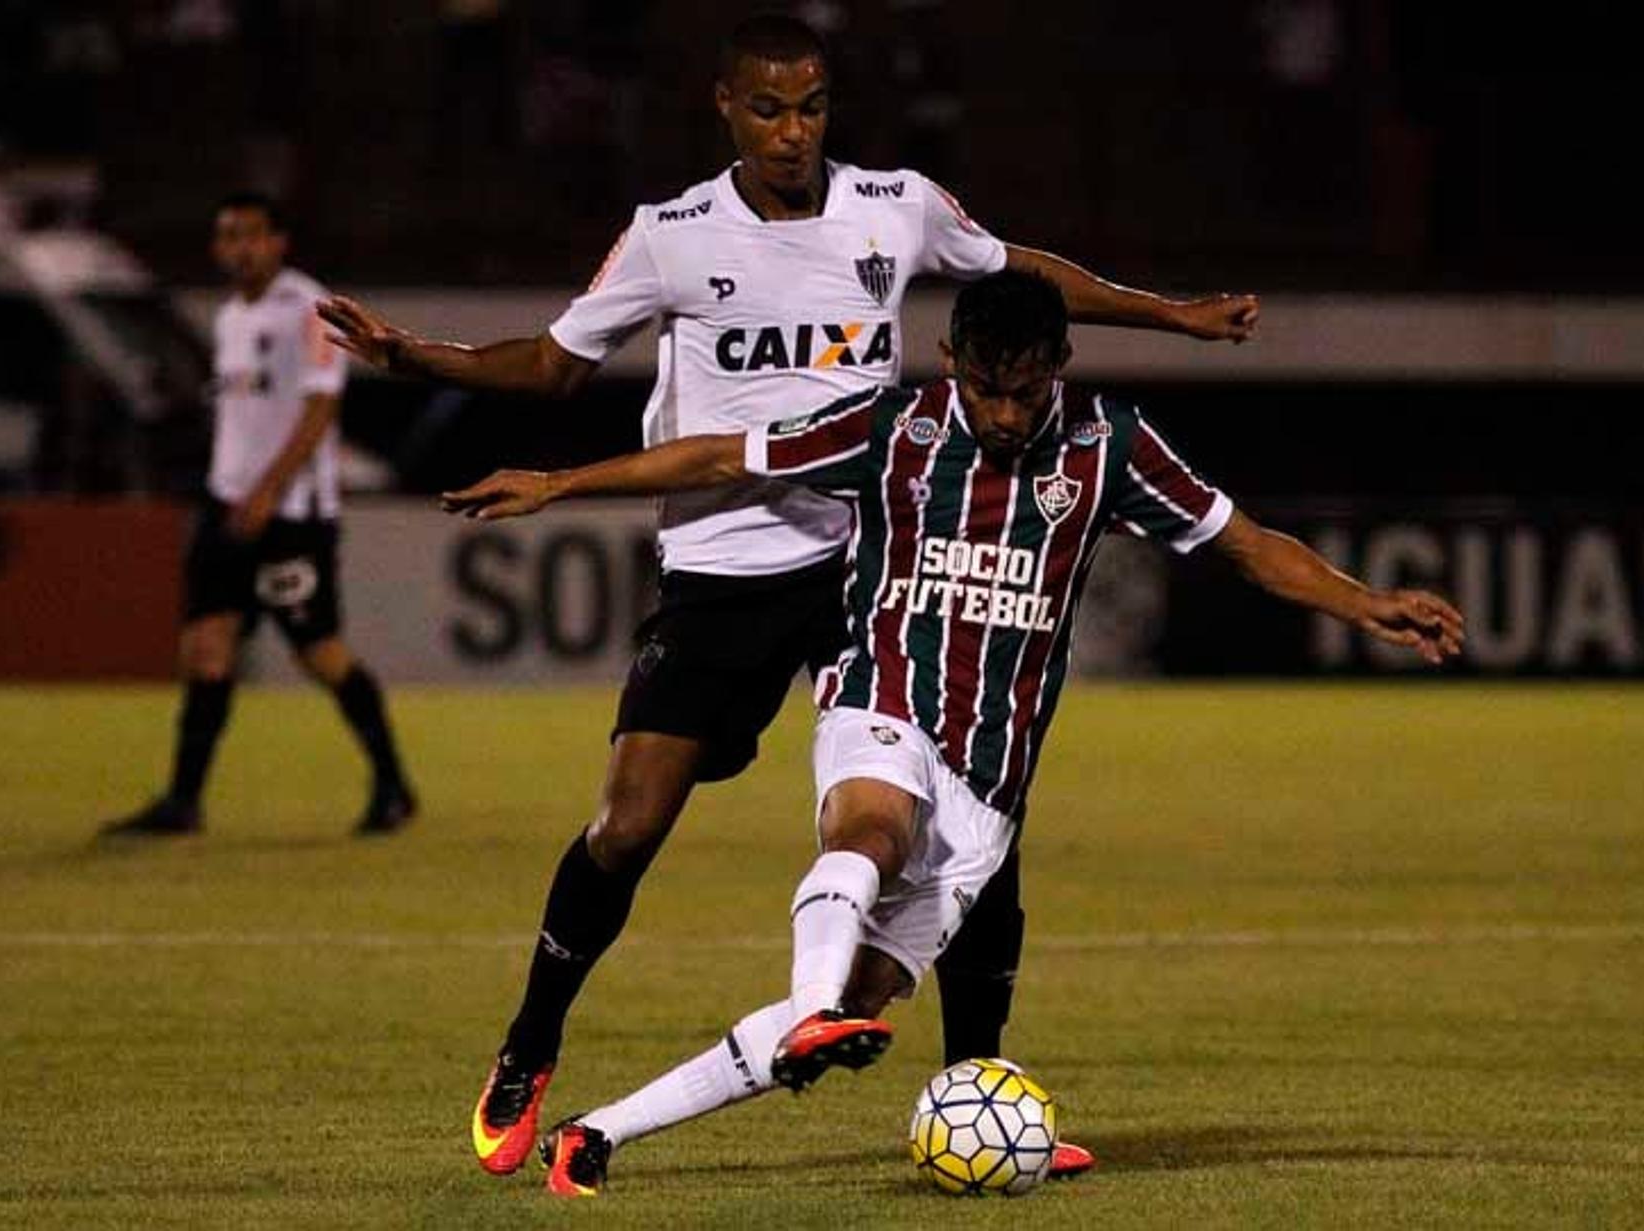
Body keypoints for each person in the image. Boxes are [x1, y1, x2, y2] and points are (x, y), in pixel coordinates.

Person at [317, 14, 1258, 1180]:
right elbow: (556, 365)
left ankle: (977, 1089)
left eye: (811, 107)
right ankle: (530, 1040)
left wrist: (1170, 313)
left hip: (875, 563)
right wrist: (418, 358)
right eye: (768, 109)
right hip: (722, 568)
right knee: (628, 824)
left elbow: (1019, 274)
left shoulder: (895, 204)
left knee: (976, 830)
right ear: (725, 108)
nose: (792, 131)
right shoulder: (669, 235)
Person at [440, 267, 1463, 1197]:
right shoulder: (893, 430)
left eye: (1024, 390)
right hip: (879, 697)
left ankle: (598, 1133)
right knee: (869, 833)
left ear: (1061, 365)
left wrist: (1364, 601)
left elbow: (1244, 544)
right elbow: (722, 452)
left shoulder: (1113, 446)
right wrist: (558, 482)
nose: (1006, 412)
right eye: (986, 388)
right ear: (951, 363)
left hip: (990, 782)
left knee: (866, 1003)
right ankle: (810, 1000)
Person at [102, 193, 416, 839]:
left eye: (251, 235)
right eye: (227, 236)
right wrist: (232, 488)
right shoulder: (229, 318)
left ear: (279, 241)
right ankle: (183, 801)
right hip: (227, 502)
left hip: (291, 512)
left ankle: (393, 785)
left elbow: (321, 407)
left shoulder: (311, 309)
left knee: (318, 652)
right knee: (206, 647)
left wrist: (271, 488)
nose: (238, 247)